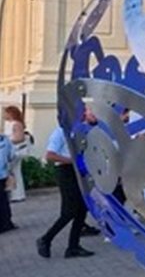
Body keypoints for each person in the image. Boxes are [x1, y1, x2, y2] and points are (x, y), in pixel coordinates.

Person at [37, 109, 97, 258]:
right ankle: (46, 239)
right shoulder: (60, 132)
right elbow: (50, 155)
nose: (83, 115)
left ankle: (73, 246)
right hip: (66, 171)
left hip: (77, 171)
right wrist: (72, 161)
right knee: (69, 211)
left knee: (82, 209)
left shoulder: (78, 131)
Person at [3, 106, 29, 202]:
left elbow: (19, 138)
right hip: (11, 150)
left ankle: (16, 194)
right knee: (15, 171)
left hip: (16, 151)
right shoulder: (9, 124)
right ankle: (17, 194)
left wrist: (7, 141)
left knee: (12, 170)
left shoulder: (17, 124)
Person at [0, 130, 14, 233]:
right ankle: (6, 223)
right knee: (3, 199)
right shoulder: (5, 139)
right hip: (2, 173)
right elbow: (11, 155)